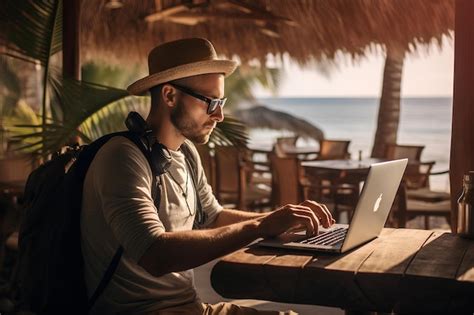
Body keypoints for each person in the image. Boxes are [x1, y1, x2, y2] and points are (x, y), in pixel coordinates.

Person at [80, 38, 335, 315]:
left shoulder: (186, 153)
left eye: (221, 101)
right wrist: (259, 226)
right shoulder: (122, 156)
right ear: (169, 96)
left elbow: (213, 217)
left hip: (191, 307)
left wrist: (285, 218)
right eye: (211, 102)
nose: (220, 115)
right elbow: (155, 254)